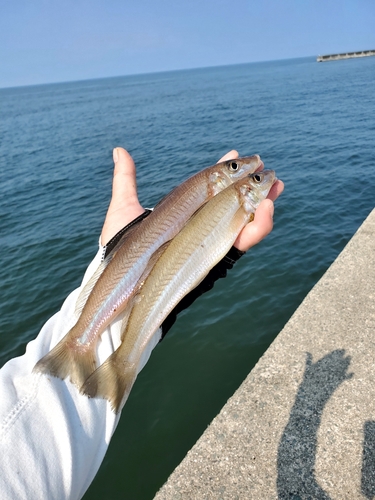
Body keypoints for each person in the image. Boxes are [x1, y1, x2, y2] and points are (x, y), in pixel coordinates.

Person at [0, 148, 284, 499]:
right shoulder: (223, 190)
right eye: (243, 171)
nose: (254, 170)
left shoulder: (222, 191)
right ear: (225, 179)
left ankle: (93, 353)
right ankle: (89, 352)